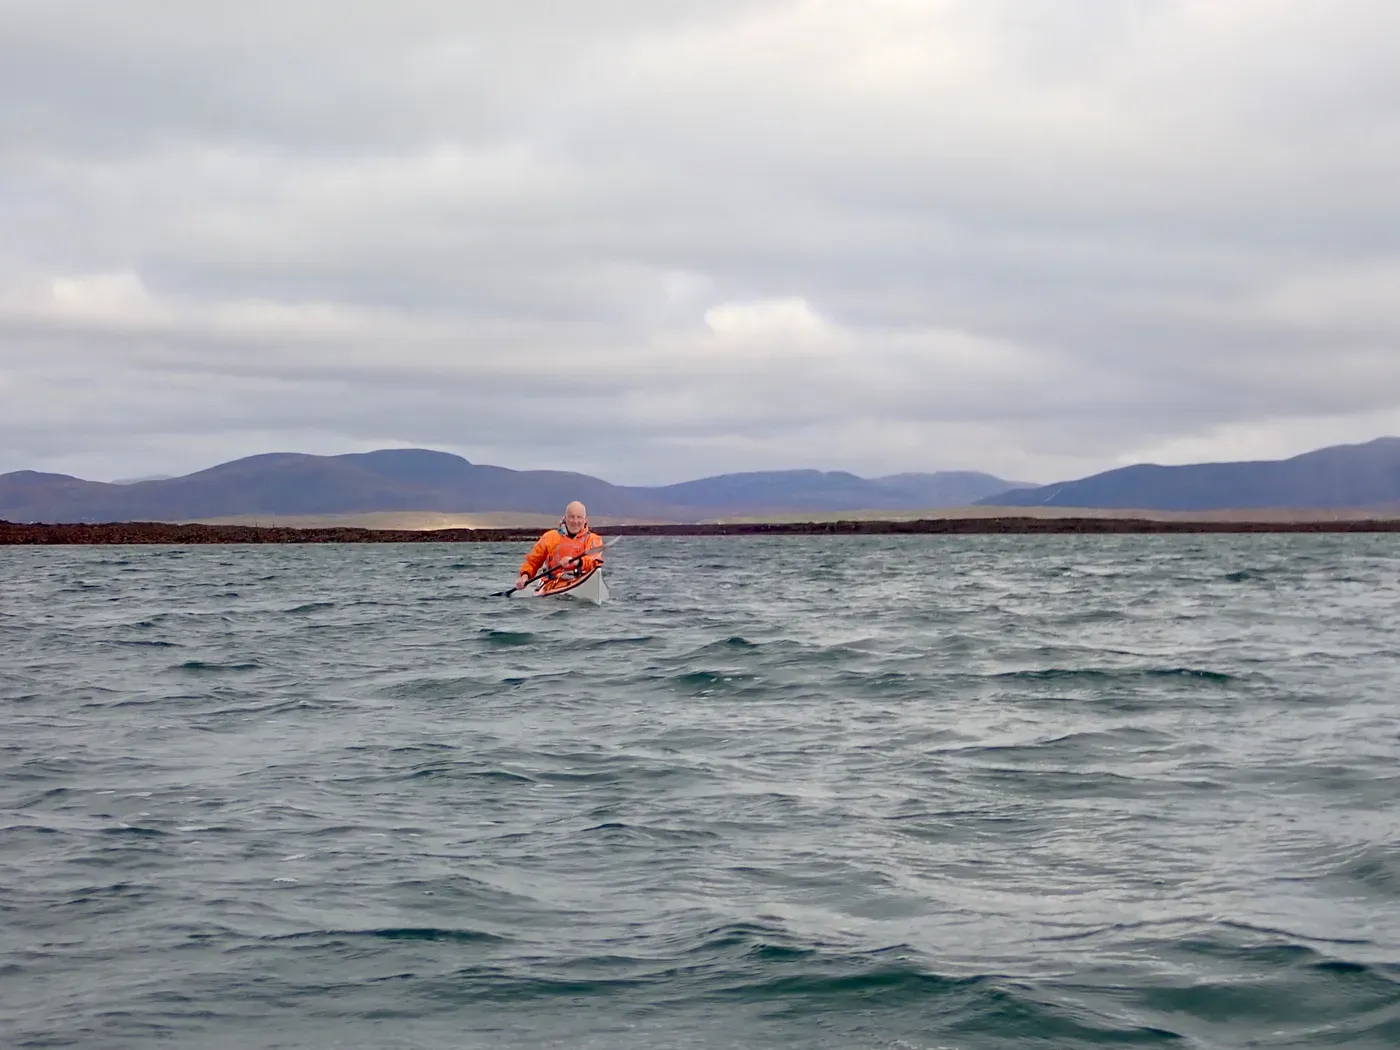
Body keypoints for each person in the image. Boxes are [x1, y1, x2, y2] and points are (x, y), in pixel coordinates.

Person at [516, 501, 604, 591]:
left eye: (579, 517)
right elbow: (532, 561)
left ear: (585, 520)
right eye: (572, 517)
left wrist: (577, 562)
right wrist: (525, 577)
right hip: (552, 584)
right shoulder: (550, 537)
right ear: (565, 518)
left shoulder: (593, 539)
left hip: (580, 578)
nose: (575, 521)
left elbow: (595, 561)